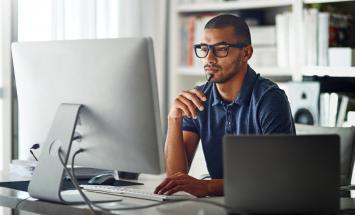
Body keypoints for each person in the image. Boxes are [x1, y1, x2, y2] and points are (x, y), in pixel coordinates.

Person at [154, 14, 295, 197]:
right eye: (204, 48)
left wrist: (207, 187)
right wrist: (174, 119)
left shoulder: (270, 99)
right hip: (220, 205)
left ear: (246, 53)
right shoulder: (199, 98)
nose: (209, 58)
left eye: (221, 49)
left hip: (263, 205)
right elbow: (175, 178)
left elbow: (277, 178)